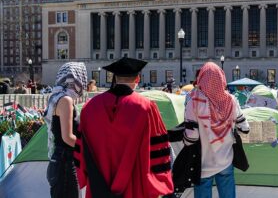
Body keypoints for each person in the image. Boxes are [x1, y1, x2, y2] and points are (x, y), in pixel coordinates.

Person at [74, 57, 173, 198]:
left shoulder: (89, 107)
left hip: (98, 185)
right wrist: (159, 181)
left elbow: (80, 150)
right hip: (135, 184)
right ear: (137, 79)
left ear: (114, 78)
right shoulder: (146, 107)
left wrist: (84, 175)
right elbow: (158, 150)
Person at [183, 62, 249, 198]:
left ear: (201, 78)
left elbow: (191, 138)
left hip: (203, 163)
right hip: (225, 159)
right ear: (222, 79)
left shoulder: (193, 101)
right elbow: (245, 128)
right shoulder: (231, 100)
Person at [44, 62, 88, 198]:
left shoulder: (56, 96)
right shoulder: (66, 100)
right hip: (65, 164)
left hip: (59, 162)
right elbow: (67, 137)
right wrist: (89, 146)